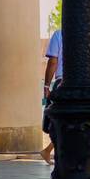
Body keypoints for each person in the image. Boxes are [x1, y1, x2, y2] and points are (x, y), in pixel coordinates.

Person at [41, 27, 62, 164]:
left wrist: (47, 85)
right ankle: (49, 151)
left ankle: (48, 150)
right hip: (84, 82)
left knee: (61, 120)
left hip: (62, 83)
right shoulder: (88, 33)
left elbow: (53, 62)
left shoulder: (59, 34)